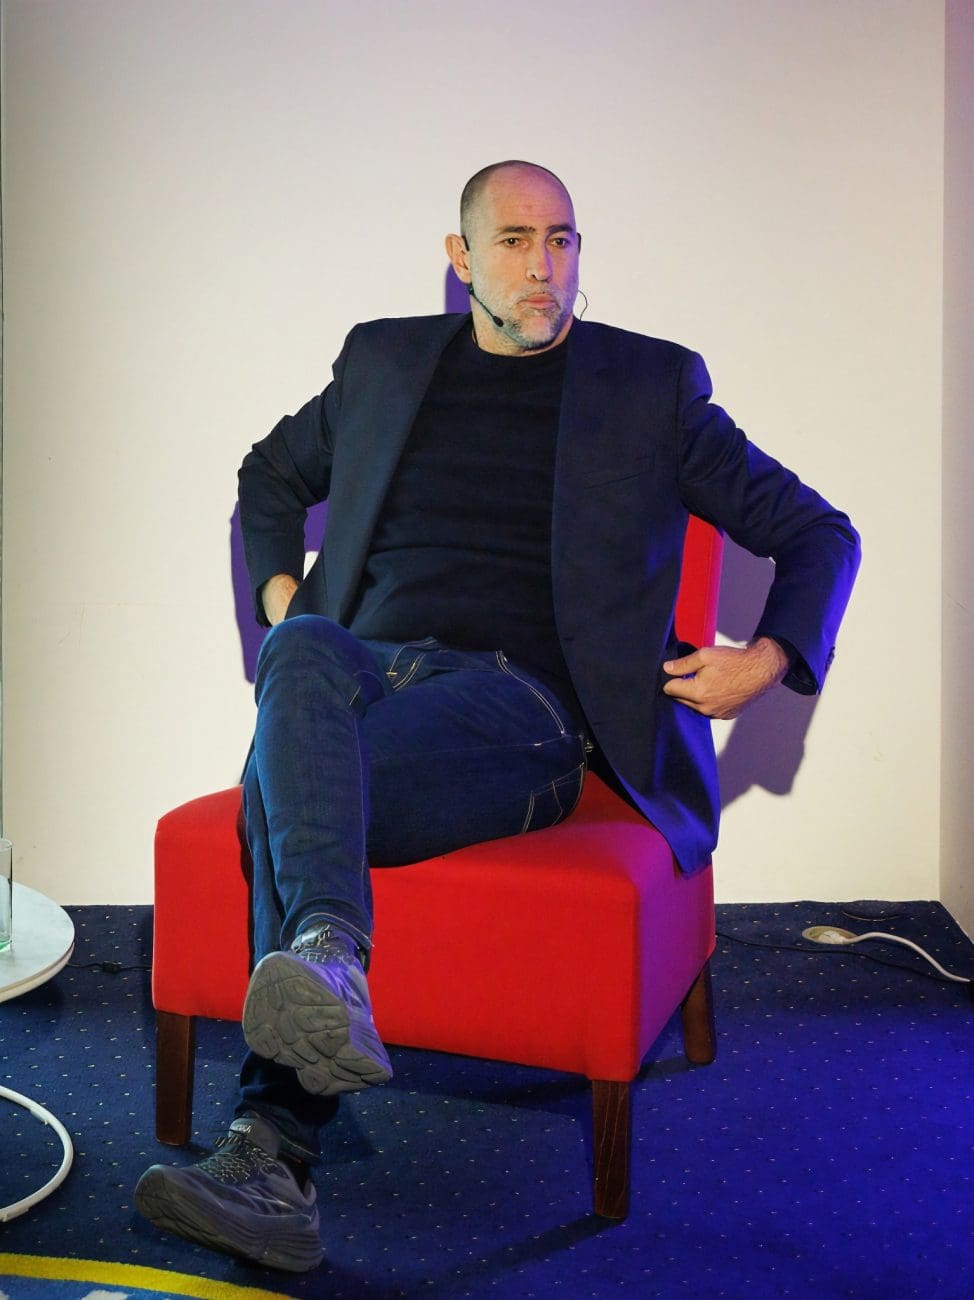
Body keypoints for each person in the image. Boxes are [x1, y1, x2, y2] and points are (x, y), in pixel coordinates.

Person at [135, 161, 860, 1272]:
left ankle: (269, 1156)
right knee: (301, 648)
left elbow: (819, 531)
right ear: (460, 257)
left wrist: (763, 660)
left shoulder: (648, 387)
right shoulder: (382, 363)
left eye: (561, 239)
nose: (542, 265)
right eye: (515, 240)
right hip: (365, 670)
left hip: (520, 707)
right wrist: (284, 595)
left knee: (286, 791)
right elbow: (267, 474)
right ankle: (328, 959)